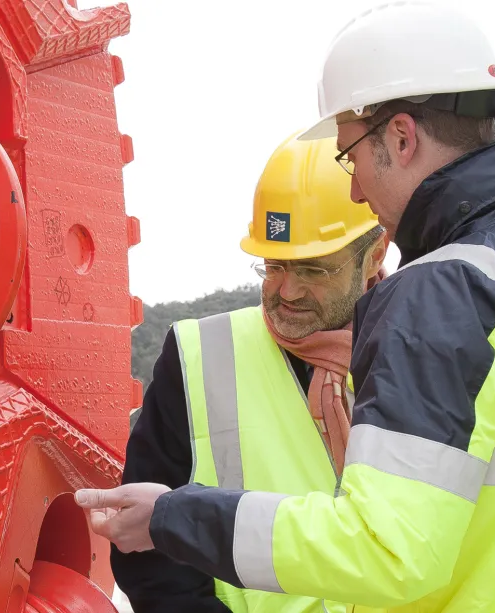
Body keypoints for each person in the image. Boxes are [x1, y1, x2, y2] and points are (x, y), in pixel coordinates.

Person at [76, 2, 495, 612]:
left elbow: (387, 548)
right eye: (273, 265)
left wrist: (174, 516)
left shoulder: (442, 295)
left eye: (350, 154)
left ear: (401, 137)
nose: (355, 187)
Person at [112, 132, 386, 613]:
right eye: (274, 266)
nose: (288, 291)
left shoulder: (428, 352)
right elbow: (147, 550)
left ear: (375, 255)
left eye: (313, 270)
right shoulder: (197, 356)